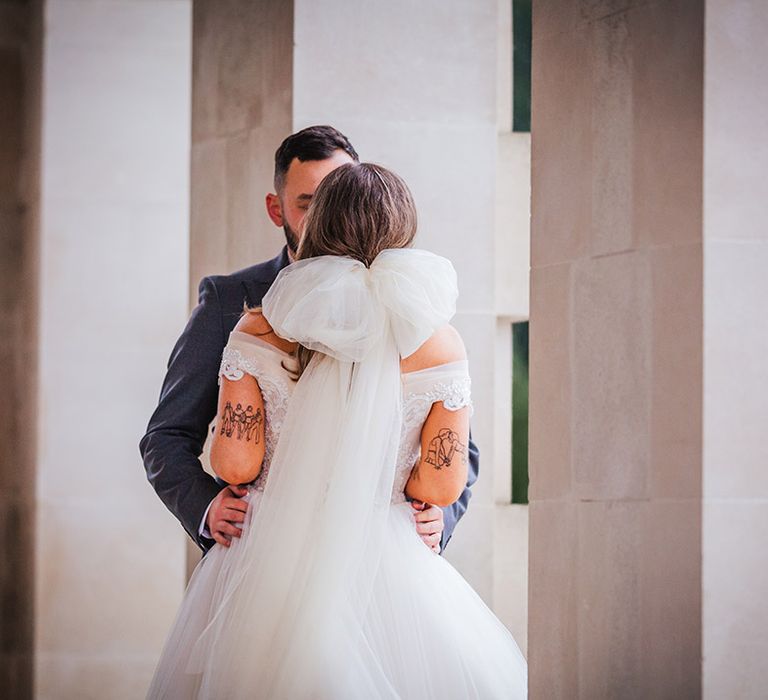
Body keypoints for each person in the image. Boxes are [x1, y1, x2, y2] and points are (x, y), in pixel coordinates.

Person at [146, 162, 527, 698]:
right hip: (387, 566)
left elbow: (237, 465)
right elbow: (440, 487)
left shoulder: (261, 328)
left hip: (270, 559)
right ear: (402, 230)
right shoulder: (439, 343)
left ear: (318, 225)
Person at [139, 126, 479, 555]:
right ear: (276, 208)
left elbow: (460, 448)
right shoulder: (233, 301)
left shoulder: (417, 314)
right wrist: (207, 508)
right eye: (307, 201)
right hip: (266, 549)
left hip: (384, 553)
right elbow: (167, 434)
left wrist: (437, 520)